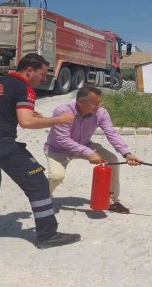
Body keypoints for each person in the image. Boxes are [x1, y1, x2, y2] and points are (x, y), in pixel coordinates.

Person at [0, 53, 80, 249]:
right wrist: (59, 120)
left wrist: (20, 112)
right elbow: (27, 122)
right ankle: (48, 234)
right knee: (38, 184)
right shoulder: (24, 89)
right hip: (0, 145)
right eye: (42, 74)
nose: (44, 79)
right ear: (29, 71)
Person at [45, 86, 143, 214]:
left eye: (99, 102)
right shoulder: (63, 112)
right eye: (94, 103)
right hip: (58, 149)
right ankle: (43, 201)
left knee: (112, 160)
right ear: (80, 102)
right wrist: (89, 153)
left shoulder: (101, 113)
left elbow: (111, 133)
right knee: (56, 176)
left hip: (85, 144)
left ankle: (112, 201)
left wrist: (127, 153)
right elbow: (63, 140)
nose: (98, 106)